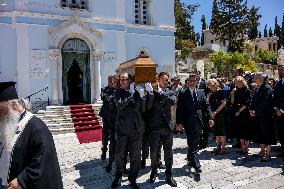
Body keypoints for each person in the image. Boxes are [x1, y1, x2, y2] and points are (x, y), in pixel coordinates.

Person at [0, 82, 63, 189]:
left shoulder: (37, 127)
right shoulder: (6, 124)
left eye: (0, 111)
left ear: (13, 105)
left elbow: (43, 160)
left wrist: (22, 180)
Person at [111, 73, 146, 189]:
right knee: (120, 154)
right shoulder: (117, 92)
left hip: (136, 129)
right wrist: (131, 95)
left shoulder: (136, 92)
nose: (121, 82)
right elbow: (120, 105)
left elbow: (144, 108)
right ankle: (119, 175)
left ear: (131, 81)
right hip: (122, 129)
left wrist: (143, 95)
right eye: (121, 80)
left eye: (124, 79)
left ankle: (133, 179)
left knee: (135, 156)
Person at [176, 74, 214, 174]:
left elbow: (207, 106)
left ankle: (190, 157)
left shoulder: (201, 92)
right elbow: (179, 109)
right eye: (190, 81)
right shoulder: (183, 92)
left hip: (199, 121)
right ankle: (196, 164)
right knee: (192, 142)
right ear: (187, 82)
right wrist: (179, 123)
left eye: (194, 80)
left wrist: (210, 117)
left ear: (197, 81)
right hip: (188, 122)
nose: (192, 82)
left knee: (195, 142)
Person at [147, 72, 177, 187]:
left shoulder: (170, 91)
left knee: (168, 153)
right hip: (154, 126)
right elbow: (148, 106)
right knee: (154, 152)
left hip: (167, 126)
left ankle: (169, 175)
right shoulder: (152, 91)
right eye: (163, 79)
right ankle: (153, 171)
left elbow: (173, 101)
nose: (166, 81)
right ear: (157, 79)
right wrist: (151, 93)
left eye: (167, 79)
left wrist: (160, 93)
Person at [250, 73, 276, 162]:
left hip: (266, 116)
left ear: (261, 78)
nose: (255, 78)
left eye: (256, 77)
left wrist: (255, 111)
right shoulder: (258, 88)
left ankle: (268, 154)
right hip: (258, 115)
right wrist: (251, 109)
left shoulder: (267, 88)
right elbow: (253, 100)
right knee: (260, 134)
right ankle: (262, 151)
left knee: (267, 134)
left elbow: (265, 101)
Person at [230, 76, 252, 155]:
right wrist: (232, 93)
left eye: (237, 82)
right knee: (239, 130)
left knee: (245, 130)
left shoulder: (247, 90)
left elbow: (247, 103)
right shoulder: (236, 90)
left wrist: (239, 111)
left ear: (241, 82)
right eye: (235, 82)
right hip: (236, 111)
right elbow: (232, 102)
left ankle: (246, 148)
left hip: (244, 112)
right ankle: (242, 147)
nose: (236, 84)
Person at [207, 79, 227, 154]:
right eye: (209, 86)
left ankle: (223, 148)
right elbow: (208, 103)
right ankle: (218, 146)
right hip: (214, 113)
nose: (210, 88)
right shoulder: (212, 93)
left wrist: (216, 111)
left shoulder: (221, 92)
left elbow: (223, 103)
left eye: (211, 86)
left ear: (215, 84)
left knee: (222, 131)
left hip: (221, 113)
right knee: (216, 130)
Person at [105, 75, 120, 172]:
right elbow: (111, 100)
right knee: (113, 144)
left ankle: (121, 166)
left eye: (117, 83)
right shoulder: (110, 92)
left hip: (122, 122)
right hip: (113, 122)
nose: (115, 84)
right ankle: (110, 162)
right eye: (114, 83)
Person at [99, 75, 113, 160]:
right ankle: (104, 151)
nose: (111, 82)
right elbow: (103, 98)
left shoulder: (116, 89)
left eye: (112, 81)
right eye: (110, 81)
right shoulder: (104, 89)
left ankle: (112, 152)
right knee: (105, 134)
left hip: (114, 115)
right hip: (106, 115)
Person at [273, 64, 284, 160]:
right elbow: (275, 98)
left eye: (282, 70)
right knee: (281, 132)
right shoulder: (278, 83)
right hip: (278, 113)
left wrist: (281, 110)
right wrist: (276, 109)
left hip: (283, 111)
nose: (280, 72)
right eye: (279, 70)